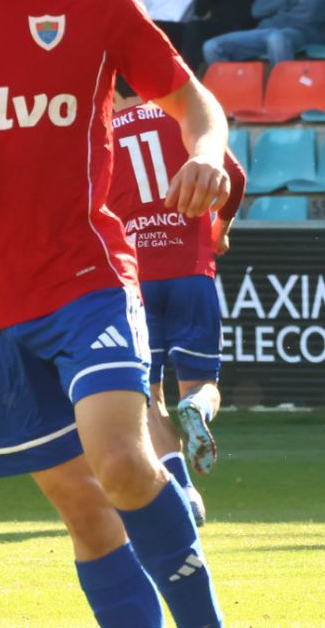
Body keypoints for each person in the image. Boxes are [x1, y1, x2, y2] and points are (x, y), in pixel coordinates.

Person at [0, 0, 227, 628]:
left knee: (120, 463)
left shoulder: (92, 1)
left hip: (86, 278)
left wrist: (205, 150)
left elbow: (189, 98)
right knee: (84, 507)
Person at [107, 81, 247, 529]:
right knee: (201, 383)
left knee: (149, 398)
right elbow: (235, 178)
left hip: (135, 283)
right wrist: (220, 230)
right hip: (190, 273)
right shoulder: (182, 121)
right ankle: (199, 411)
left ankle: (185, 490)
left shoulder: (102, 134)